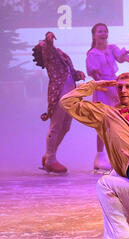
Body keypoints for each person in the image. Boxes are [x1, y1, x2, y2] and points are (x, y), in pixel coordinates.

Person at [86, 23, 129, 172]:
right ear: (94, 35)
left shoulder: (111, 48)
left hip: (114, 85)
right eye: (100, 31)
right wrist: (108, 90)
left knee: (121, 121)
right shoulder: (93, 54)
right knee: (103, 123)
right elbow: (96, 75)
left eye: (105, 31)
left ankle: (122, 156)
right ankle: (100, 157)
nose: (103, 33)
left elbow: (122, 58)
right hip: (102, 89)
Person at [32, 31, 85, 173]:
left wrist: (78, 74)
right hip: (59, 92)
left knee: (65, 126)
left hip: (70, 93)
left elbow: (71, 72)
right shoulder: (50, 56)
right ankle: (50, 159)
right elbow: (48, 48)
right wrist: (48, 41)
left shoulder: (62, 58)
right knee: (56, 125)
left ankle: (50, 154)